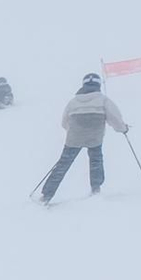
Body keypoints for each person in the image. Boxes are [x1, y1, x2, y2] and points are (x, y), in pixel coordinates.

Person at [39, 73, 128, 202]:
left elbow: (64, 122)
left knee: (63, 164)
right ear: (98, 85)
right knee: (96, 161)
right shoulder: (103, 100)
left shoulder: (73, 101)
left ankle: (46, 195)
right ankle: (96, 190)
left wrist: (73, 132)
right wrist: (123, 129)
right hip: (95, 138)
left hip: (73, 139)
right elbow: (115, 118)